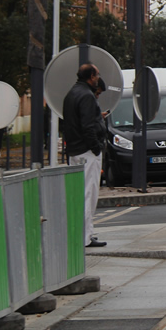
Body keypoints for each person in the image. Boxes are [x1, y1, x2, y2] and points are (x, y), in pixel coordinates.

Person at [63, 64, 107, 248]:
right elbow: (87, 126)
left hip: (74, 150)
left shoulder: (71, 94)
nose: (98, 77)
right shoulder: (87, 96)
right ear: (91, 76)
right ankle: (86, 237)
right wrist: (96, 148)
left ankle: (82, 234)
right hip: (87, 151)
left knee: (80, 194)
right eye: (97, 74)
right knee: (89, 193)